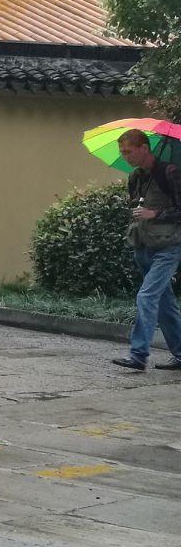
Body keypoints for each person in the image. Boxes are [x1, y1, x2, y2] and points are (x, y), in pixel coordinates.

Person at [113, 128, 181, 370]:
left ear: (144, 148)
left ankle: (139, 355)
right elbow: (135, 206)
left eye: (129, 152)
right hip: (143, 246)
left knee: (147, 296)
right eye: (122, 152)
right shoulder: (135, 177)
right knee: (164, 302)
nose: (126, 157)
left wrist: (156, 213)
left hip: (168, 246)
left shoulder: (170, 172)